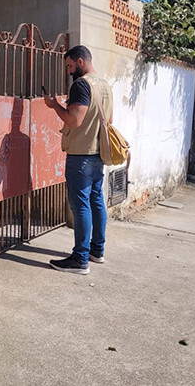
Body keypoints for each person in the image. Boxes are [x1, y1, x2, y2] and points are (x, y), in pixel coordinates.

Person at [43, 45, 113, 275]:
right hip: (97, 153)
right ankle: (97, 251)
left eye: (70, 65)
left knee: (81, 205)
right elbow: (109, 120)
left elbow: (74, 120)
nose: (69, 71)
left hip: (81, 154)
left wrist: (55, 106)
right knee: (96, 200)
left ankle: (80, 259)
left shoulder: (81, 85)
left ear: (80, 61)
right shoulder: (105, 85)